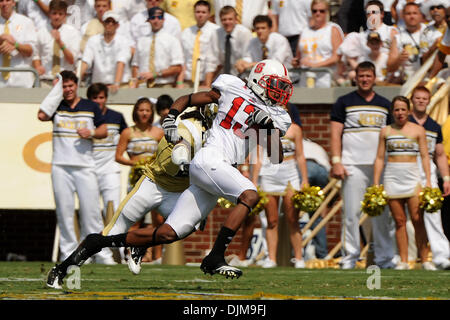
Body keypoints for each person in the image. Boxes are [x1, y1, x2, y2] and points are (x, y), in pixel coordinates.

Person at [45, 59, 293, 284]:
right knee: (249, 195)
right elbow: (190, 101)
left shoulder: (277, 116)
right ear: (259, 80)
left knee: (169, 233)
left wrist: (268, 127)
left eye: (282, 86)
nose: (280, 91)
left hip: (213, 172)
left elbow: (275, 156)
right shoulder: (230, 88)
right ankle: (216, 257)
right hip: (207, 161)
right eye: (275, 84)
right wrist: (171, 117)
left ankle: (97, 243)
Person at [46, 105, 218, 288]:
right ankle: (60, 270)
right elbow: (181, 152)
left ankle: (140, 243)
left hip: (177, 192)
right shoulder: (188, 127)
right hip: (153, 185)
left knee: (186, 226)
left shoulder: (220, 136)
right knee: (110, 234)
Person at [37, 70, 115, 264]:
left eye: (71, 86)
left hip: (85, 166)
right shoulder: (56, 105)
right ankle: (69, 255)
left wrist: (91, 132)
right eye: (64, 86)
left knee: (92, 213)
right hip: (60, 167)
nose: (68, 90)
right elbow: (41, 115)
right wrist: (56, 91)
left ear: (77, 85)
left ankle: (101, 255)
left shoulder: (90, 106)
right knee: (64, 212)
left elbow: (104, 130)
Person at [330, 61, 395, 269]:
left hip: (380, 167)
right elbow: (335, 133)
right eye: (361, 76)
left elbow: (391, 136)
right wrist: (336, 161)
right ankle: (349, 257)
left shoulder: (386, 104)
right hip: (352, 166)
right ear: (355, 78)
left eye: (368, 76)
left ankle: (385, 259)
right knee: (351, 214)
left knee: (381, 215)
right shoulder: (343, 101)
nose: (365, 79)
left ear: (374, 78)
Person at [373, 95, 431, 270]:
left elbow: (425, 157)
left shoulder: (418, 130)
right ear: (392, 112)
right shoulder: (385, 131)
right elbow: (379, 158)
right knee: (399, 221)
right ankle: (404, 261)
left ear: (409, 111)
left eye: (403, 109)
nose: (400, 113)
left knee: (417, 219)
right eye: (396, 110)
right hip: (392, 177)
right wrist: (376, 183)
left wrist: (427, 180)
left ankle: (425, 260)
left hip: (412, 178)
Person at [252, 123, 309, 268]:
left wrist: (305, 180)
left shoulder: (295, 129)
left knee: (293, 218)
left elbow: (300, 156)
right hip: (269, 173)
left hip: (290, 173)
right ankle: (271, 258)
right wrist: (253, 181)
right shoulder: (263, 128)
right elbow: (258, 157)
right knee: (271, 220)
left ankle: (299, 258)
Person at [115, 96, 164, 263]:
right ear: (136, 111)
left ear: (151, 113)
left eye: (147, 110)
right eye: (141, 110)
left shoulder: (159, 133)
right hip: (135, 179)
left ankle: (157, 256)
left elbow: (166, 154)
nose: (144, 113)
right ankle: (130, 254)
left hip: (155, 179)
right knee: (134, 217)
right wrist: (133, 162)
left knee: (157, 218)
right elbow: (118, 156)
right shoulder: (128, 132)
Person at [408, 86, 450, 270]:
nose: (421, 101)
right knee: (400, 217)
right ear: (412, 99)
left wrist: (447, 177)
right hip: (404, 168)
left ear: (429, 100)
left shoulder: (434, 126)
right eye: (418, 98)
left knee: (433, 214)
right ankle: (401, 256)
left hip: (428, 173)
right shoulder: (403, 121)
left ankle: (441, 256)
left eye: (424, 98)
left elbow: (439, 155)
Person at [87, 83, 128, 220]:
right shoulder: (83, 117)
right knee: (89, 211)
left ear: (106, 98)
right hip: (88, 170)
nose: (98, 101)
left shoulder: (117, 117)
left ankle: (110, 240)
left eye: (101, 97)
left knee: (112, 209)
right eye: (95, 98)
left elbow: (127, 138)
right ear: (89, 99)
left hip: (111, 170)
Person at [292, 0, 344, 88]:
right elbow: (299, 56)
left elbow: (337, 57)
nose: (318, 13)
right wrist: (296, 62)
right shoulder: (305, 31)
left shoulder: (333, 29)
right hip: (306, 79)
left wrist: (314, 66)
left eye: (322, 11)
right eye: (314, 11)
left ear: (328, 12)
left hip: (326, 79)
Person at [130, 6, 184, 88]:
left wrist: (155, 74)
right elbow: (135, 65)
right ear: (148, 20)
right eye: (153, 18)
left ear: (163, 20)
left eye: (159, 17)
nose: (156, 21)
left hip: (164, 84)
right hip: (143, 85)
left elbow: (177, 67)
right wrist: (134, 83)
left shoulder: (172, 40)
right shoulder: (141, 41)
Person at [32, 0, 81, 88]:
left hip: (65, 82)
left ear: (65, 15)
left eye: (60, 14)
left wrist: (60, 43)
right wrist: (38, 66)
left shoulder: (73, 33)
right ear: (49, 14)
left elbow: (72, 60)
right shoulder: (41, 32)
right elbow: (36, 55)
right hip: (46, 80)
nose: (57, 17)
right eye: (54, 13)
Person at [81, 10, 133, 91]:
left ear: (117, 25)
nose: (110, 24)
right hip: (99, 86)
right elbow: (86, 61)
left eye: (113, 22)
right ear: (103, 23)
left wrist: (116, 84)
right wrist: (77, 80)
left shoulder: (124, 41)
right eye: (107, 21)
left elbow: (121, 62)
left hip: (121, 85)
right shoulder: (93, 40)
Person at [178, 0, 219, 89]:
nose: (200, 15)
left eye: (203, 12)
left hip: (209, 80)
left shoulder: (216, 31)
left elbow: (216, 59)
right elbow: (182, 58)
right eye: (198, 12)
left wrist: (208, 82)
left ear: (209, 14)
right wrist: (179, 81)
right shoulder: (186, 32)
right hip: (187, 81)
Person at [302, 138, 330, 259]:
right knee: (316, 216)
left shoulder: (293, 141)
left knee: (290, 212)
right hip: (323, 171)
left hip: (305, 167)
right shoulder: (316, 146)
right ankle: (322, 254)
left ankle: (292, 253)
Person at [0, 0, 37, 88]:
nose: (4, 4)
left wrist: (16, 45)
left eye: (7, 0)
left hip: (21, 81)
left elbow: (30, 51)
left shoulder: (26, 22)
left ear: (13, 2)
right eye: (1, 1)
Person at [387, 2, 426, 84]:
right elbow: (390, 67)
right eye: (408, 14)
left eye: (415, 13)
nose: (412, 16)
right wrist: (399, 59)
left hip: (426, 78)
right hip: (407, 80)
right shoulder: (398, 37)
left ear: (421, 15)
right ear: (403, 16)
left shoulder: (429, 32)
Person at [211, 5, 252, 77]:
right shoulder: (216, 33)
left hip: (242, 75)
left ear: (236, 20)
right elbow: (214, 59)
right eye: (224, 19)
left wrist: (241, 63)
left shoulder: (244, 33)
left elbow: (249, 57)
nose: (227, 22)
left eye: (230, 19)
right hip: (223, 76)